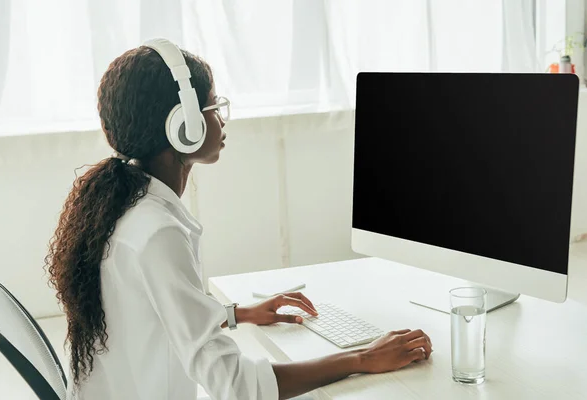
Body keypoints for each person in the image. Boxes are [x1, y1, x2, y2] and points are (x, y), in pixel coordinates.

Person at [45, 38, 433, 400]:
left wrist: (234, 314)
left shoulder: (125, 205)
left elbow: (154, 310)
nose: (222, 119)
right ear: (185, 126)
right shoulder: (156, 232)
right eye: (213, 106)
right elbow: (235, 384)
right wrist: (361, 359)